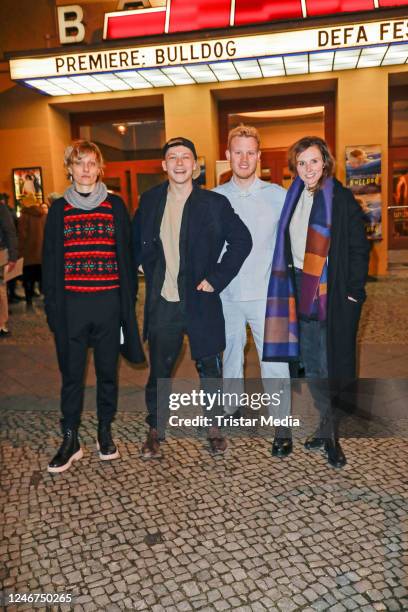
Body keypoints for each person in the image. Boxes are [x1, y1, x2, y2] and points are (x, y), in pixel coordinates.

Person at [132, 136, 252, 459]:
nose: (180, 163)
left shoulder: (214, 204)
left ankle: (213, 427)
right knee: (159, 370)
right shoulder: (150, 200)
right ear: (164, 165)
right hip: (164, 302)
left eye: (186, 157)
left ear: (196, 165)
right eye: (173, 157)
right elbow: (135, 241)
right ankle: (155, 428)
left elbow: (242, 241)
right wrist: (144, 265)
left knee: (209, 368)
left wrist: (217, 279)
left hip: (201, 301)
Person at [263, 136, 369, 468]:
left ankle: (332, 433)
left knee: (329, 363)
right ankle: (325, 427)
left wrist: (353, 292)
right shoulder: (291, 196)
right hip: (297, 286)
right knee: (311, 363)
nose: (308, 168)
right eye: (301, 162)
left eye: (313, 161)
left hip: (329, 291)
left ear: (325, 162)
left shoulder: (341, 199)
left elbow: (359, 250)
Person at [43, 140, 145, 473]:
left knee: (107, 373)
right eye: (79, 162)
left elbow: (126, 259)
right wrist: (54, 310)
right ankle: (70, 438)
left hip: (108, 305)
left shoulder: (115, 206)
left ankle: (104, 431)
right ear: (69, 169)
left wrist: (125, 306)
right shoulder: (59, 209)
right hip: (72, 306)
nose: (85, 169)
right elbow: (50, 262)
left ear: (100, 168)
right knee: (71, 375)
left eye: (91, 163)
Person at [213, 125, 291, 457]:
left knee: (274, 361)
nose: (244, 159)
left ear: (258, 156)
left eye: (250, 152)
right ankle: (231, 409)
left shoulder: (278, 196)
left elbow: (294, 242)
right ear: (228, 156)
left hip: (267, 295)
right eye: (238, 152)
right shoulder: (214, 198)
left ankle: (282, 424)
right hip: (226, 295)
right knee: (229, 356)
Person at [18, 193, 47, 307]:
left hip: (28, 254)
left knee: (28, 278)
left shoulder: (24, 216)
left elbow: (22, 236)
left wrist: (19, 251)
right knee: (41, 276)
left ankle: (29, 300)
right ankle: (45, 297)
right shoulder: (42, 215)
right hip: (41, 253)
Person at [0, 197, 18, 337]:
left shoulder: (2, 208)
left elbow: (10, 232)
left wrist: (12, 257)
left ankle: (1, 324)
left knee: (0, 289)